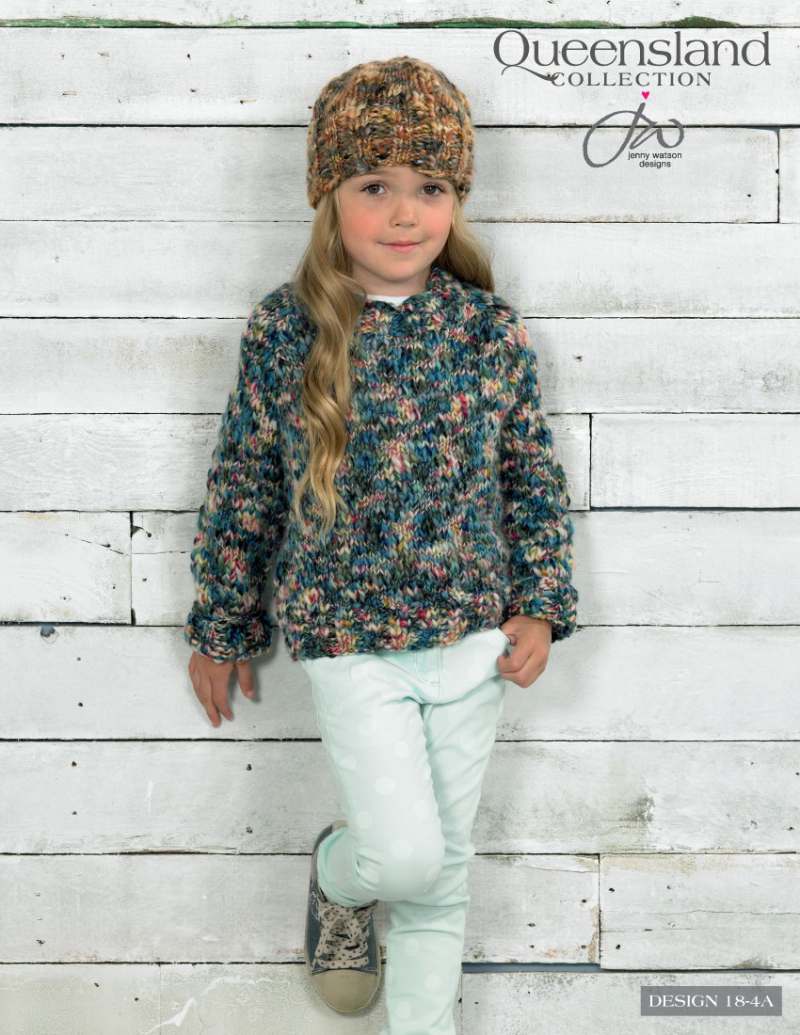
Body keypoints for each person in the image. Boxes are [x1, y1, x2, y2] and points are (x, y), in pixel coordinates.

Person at [184, 55, 578, 1035]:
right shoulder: (286, 331)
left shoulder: (487, 331)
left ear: (456, 201)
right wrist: (223, 626)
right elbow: (244, 485)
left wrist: (538, 604)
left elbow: (531, 479)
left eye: (430, 188)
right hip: (348, 640)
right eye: (374, 186)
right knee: (400, 858)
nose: (405, 214)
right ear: (329, 196)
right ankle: (339, 872)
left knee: (442, 878)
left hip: (472, 639)